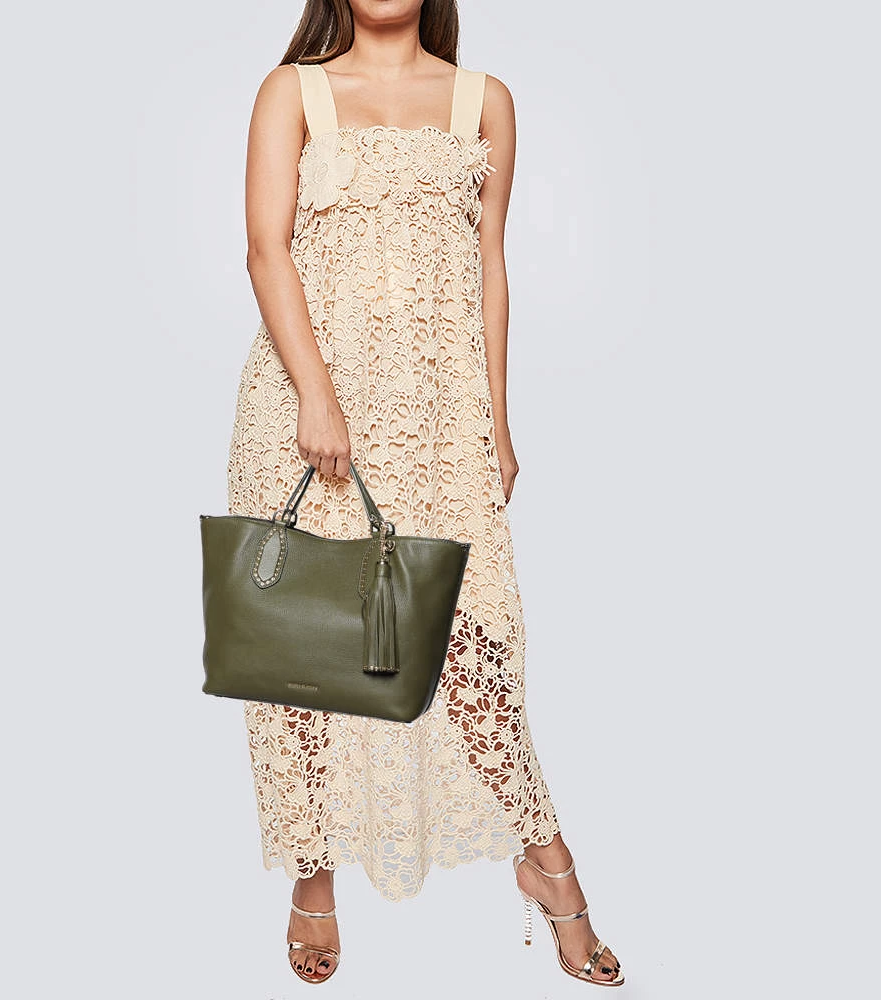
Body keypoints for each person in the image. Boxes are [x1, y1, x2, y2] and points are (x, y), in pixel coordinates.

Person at [228, 0, 623, 987]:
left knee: (469, 643)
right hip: (305, 410)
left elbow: (490, 265)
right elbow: (267, 250)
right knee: (301, 650)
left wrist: (497, 421)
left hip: (438, 421)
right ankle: (313, 877)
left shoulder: (484, 101)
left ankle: (546, 861)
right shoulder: (292, 92)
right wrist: (317, 398)